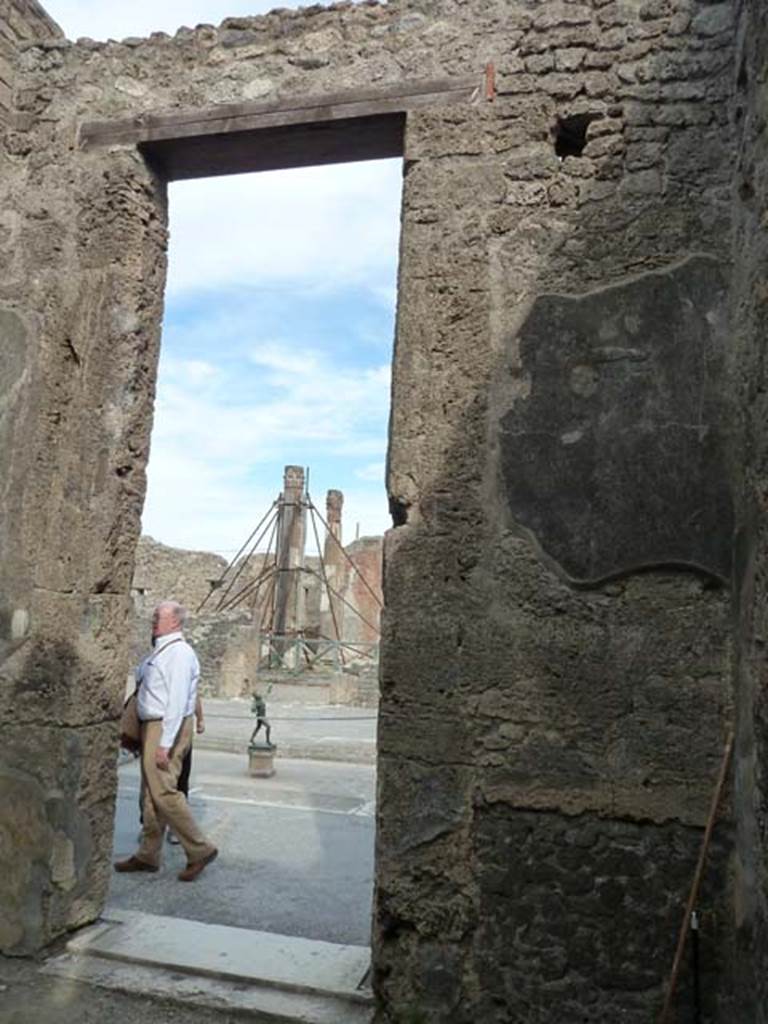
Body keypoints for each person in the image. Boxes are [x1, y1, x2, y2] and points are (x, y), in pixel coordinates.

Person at [115, 601, 218, 882]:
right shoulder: (161, 651)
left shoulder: (180, 653)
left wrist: (165, 743)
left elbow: (176, 700)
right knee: (149, 793)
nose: (153, 619)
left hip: (166, 726)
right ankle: (148, 854)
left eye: (158, 616)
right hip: (153, 726)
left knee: (163, 791)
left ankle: (200, 848)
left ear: (175, 622)